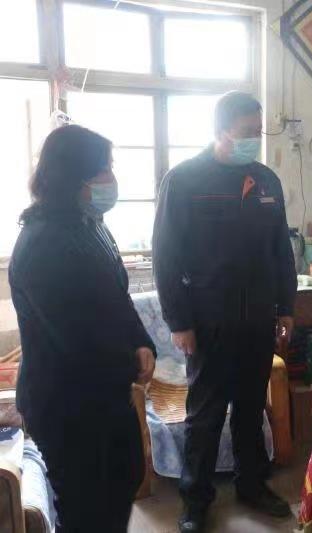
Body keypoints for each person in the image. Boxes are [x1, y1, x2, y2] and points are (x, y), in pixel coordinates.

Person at [153, 91, 296, 532]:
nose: (255, 139)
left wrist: (286, 307)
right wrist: (179, 322)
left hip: (257, 318)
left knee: (251, 410)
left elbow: (281, 250)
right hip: (208, 320)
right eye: (246, 132)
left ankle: (252, 484)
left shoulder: (266, 181)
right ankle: (195, 499)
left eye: (258, 131)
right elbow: (166, 257)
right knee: (206, 415)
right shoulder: (185, 180)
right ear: (220, 131)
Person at [9, 125, 156, 532]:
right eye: (103, 168)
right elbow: (77, 337)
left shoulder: (91, 225)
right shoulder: (43, 242)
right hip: (66, 404)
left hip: (105, 392)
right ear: (74, 175)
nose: (111, 178)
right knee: (86, 509)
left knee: (124, 480)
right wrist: (130, 363)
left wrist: (141, 341)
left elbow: (119, 296)